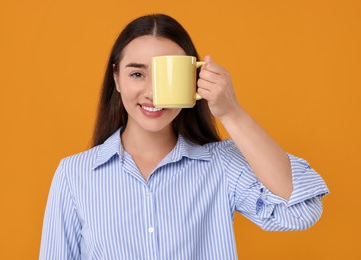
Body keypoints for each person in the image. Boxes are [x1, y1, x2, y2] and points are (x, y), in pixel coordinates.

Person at [39, 14, 329, 259]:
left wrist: (232, 113)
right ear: (116, 78)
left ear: (192, 78)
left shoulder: (221, 165)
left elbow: (301, 211)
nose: (152, 93)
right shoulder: (74, 174)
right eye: (137, 74)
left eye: (167, 75)